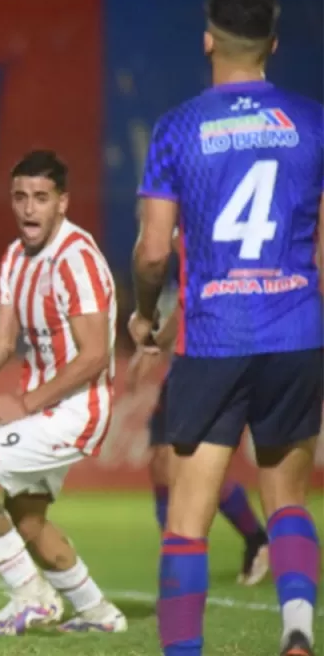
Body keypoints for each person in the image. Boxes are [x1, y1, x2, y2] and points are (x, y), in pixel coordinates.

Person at [130, 0, 322, 655]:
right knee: (290, 501)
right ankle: (297, 630)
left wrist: (143, 312)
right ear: (273, 43)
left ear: (208, 39)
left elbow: (154, 251)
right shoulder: (313, 121)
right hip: (296, 333)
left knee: (187, 521)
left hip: (214, 336)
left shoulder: (179, 129)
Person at [0, 150, 127, 636]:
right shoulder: (15, 257)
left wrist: (27, 404)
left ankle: (31, 597)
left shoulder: (76, 260)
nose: (29, 208)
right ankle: (99, 614)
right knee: (26, 521)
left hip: (76, 410)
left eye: (41, 197)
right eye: (20, 197)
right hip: (46, 409)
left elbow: (96, 354)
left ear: (63, 203)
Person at [126, 229, 269, 586]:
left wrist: (154, 344)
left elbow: (189, 301)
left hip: (211, 362)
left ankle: (252, 539)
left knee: (188, 468)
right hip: (185, 366)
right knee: (162, 462)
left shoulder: (208, 239)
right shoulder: (188, 246)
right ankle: (175, 559)